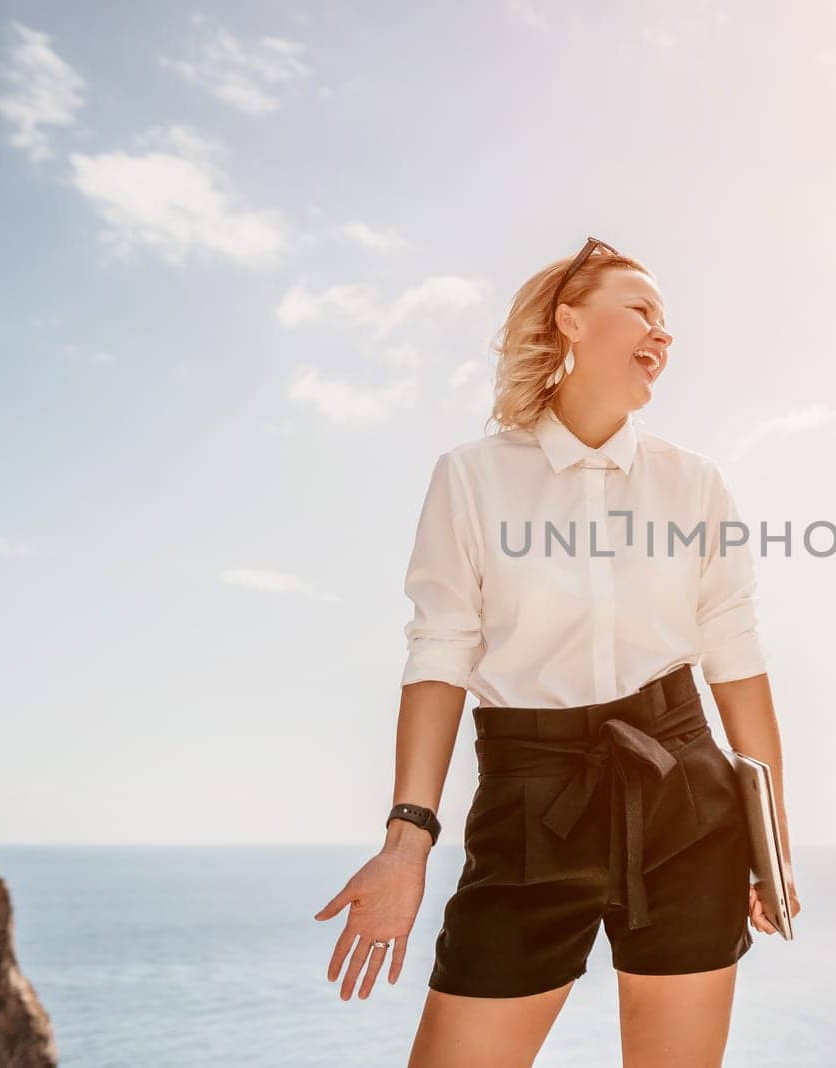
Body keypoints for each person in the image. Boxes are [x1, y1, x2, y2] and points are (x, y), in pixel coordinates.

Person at [314, 236, 800, 1066]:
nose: (663, 333)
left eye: (669, 321)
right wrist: (406, 843)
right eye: (642, 309)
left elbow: (736, 660)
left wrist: (771, 847)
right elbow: (439, 653)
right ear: (569, 321)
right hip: (529, 802)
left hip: (684, 797)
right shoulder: (471, 478)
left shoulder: (695, 484)